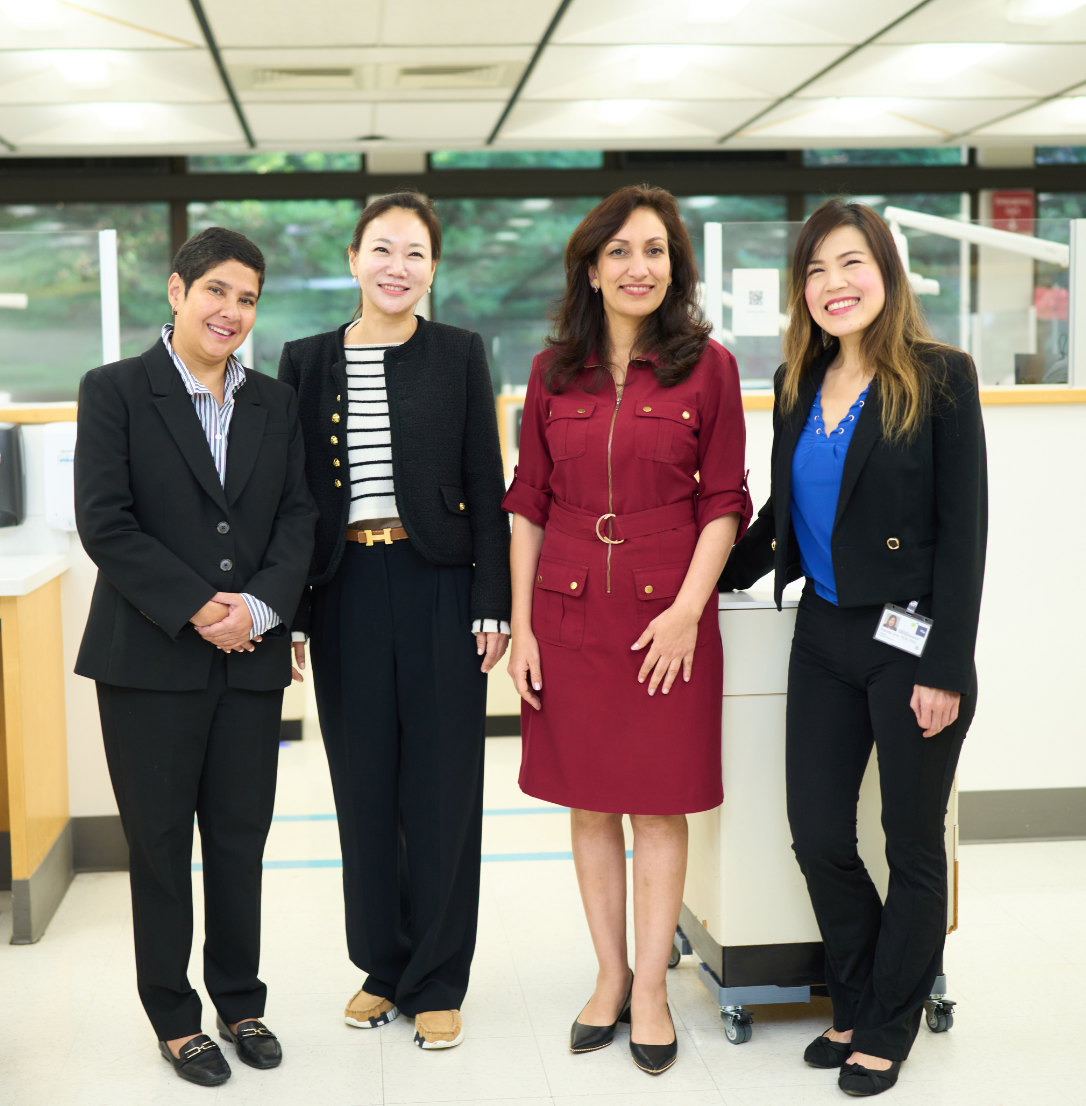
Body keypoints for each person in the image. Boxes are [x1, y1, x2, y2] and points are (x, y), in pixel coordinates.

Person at [720, 199, 987, 1097]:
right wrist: (706, 573)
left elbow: (965, 531)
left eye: (851, 264)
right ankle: (867, 992)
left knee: (911, 843)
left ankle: (883, 1024)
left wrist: (946, 666)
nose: (834, 285)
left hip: (911, 641)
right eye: (816, 271)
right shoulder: (796, 380)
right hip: (825, 635)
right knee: (819, 834)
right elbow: (783, 515)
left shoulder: (942, 376)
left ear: (886, 271)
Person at [503, 185, 751, 1075]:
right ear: (591, 268)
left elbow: (725, 501)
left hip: (666, 618)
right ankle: (608, 976)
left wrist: (687, 610)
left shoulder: (709, 368)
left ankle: (651, 988)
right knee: (590, 802)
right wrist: (523, 626)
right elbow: (528, 504)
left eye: (654, 250)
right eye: (619, 251)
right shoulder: (551, 371)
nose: (637, 267)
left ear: (675, 267)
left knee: (659, 803)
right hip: (568, 613)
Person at [74, 227, 318, 1086]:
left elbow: (297, 517)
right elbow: (106, 522)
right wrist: (198, 607)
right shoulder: (115, 390)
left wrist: (257, 608)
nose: (231, 311)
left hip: (249, 658)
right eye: (217, 291)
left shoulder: (274, 401)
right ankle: (175, 1020)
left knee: (241, 842)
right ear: (177, 292)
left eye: (247, 298)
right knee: (160, 847)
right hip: (147, 663)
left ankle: (240, 1002)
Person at [278, 191, 511, 1051]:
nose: (397, 267)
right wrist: (296, 613)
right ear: (353, 259)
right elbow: (292, 499)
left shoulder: (459, 352)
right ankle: (384, 967)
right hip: (343, 586)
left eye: (415, 253)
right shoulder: (305, 360)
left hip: (439, 583)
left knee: (443, 790)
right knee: (364, 786)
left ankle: (439, 978)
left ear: (434, 268)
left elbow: (486, 482)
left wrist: (493, 600)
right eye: (382, 249)